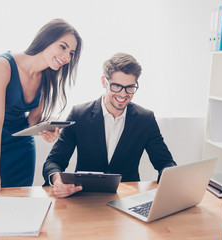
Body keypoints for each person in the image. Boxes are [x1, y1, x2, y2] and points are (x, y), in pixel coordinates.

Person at [0, 19, 82, 200]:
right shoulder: (3, 65)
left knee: (21, 196)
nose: (67, 57)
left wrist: (45, 129)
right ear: (46, 40)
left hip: (21, 143)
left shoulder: (48, 77)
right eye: (63, 47)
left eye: (71, 53)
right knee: (2, 192)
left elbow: (32, 121)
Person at [43, 53, 176, 198]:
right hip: (85, 197)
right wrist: (57, 181)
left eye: (130, 87)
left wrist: (171, 180)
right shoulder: (78, 114)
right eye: (116, 86)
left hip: (127, 198)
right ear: (103, 82)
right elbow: (54, 162)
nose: (123, 94)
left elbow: (165, 163)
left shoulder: (146, 119)